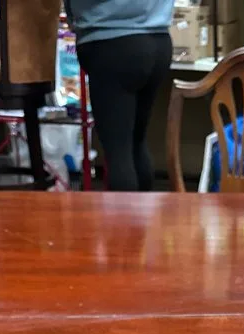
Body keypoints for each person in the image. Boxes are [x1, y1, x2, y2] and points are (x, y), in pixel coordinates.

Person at [66, 0, 174, 191]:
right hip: (158, 38)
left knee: (119, 153)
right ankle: (143, 209)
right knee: (136, 143)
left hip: (111, 39)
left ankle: (123, 212)